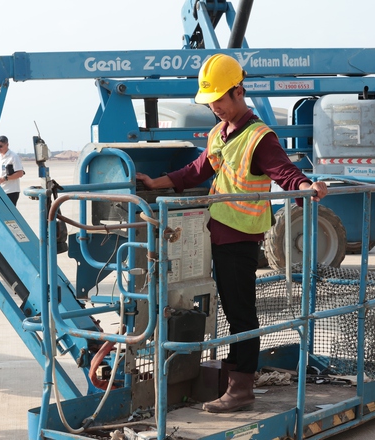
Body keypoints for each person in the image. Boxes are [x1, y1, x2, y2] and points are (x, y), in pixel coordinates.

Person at [135, 54, 328, 413]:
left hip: (241, 236)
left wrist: (306, 186)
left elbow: (283, 171)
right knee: (235, 308)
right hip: (219, 234)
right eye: (210, 102)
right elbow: (196, 170)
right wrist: (156, 183)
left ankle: (240, 389)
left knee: (241, 313)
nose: (215, 108)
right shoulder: (219, 133)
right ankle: (234, 380)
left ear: (239, 91)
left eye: (219, 100)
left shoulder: (259, 137)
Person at [0, 135, 25, 206]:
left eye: (1, 146)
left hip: (11, 191)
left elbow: (20, 173)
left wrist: (5, 178)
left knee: (9, 212)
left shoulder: (13, 156)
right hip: (1, 190)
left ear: (7, 145)